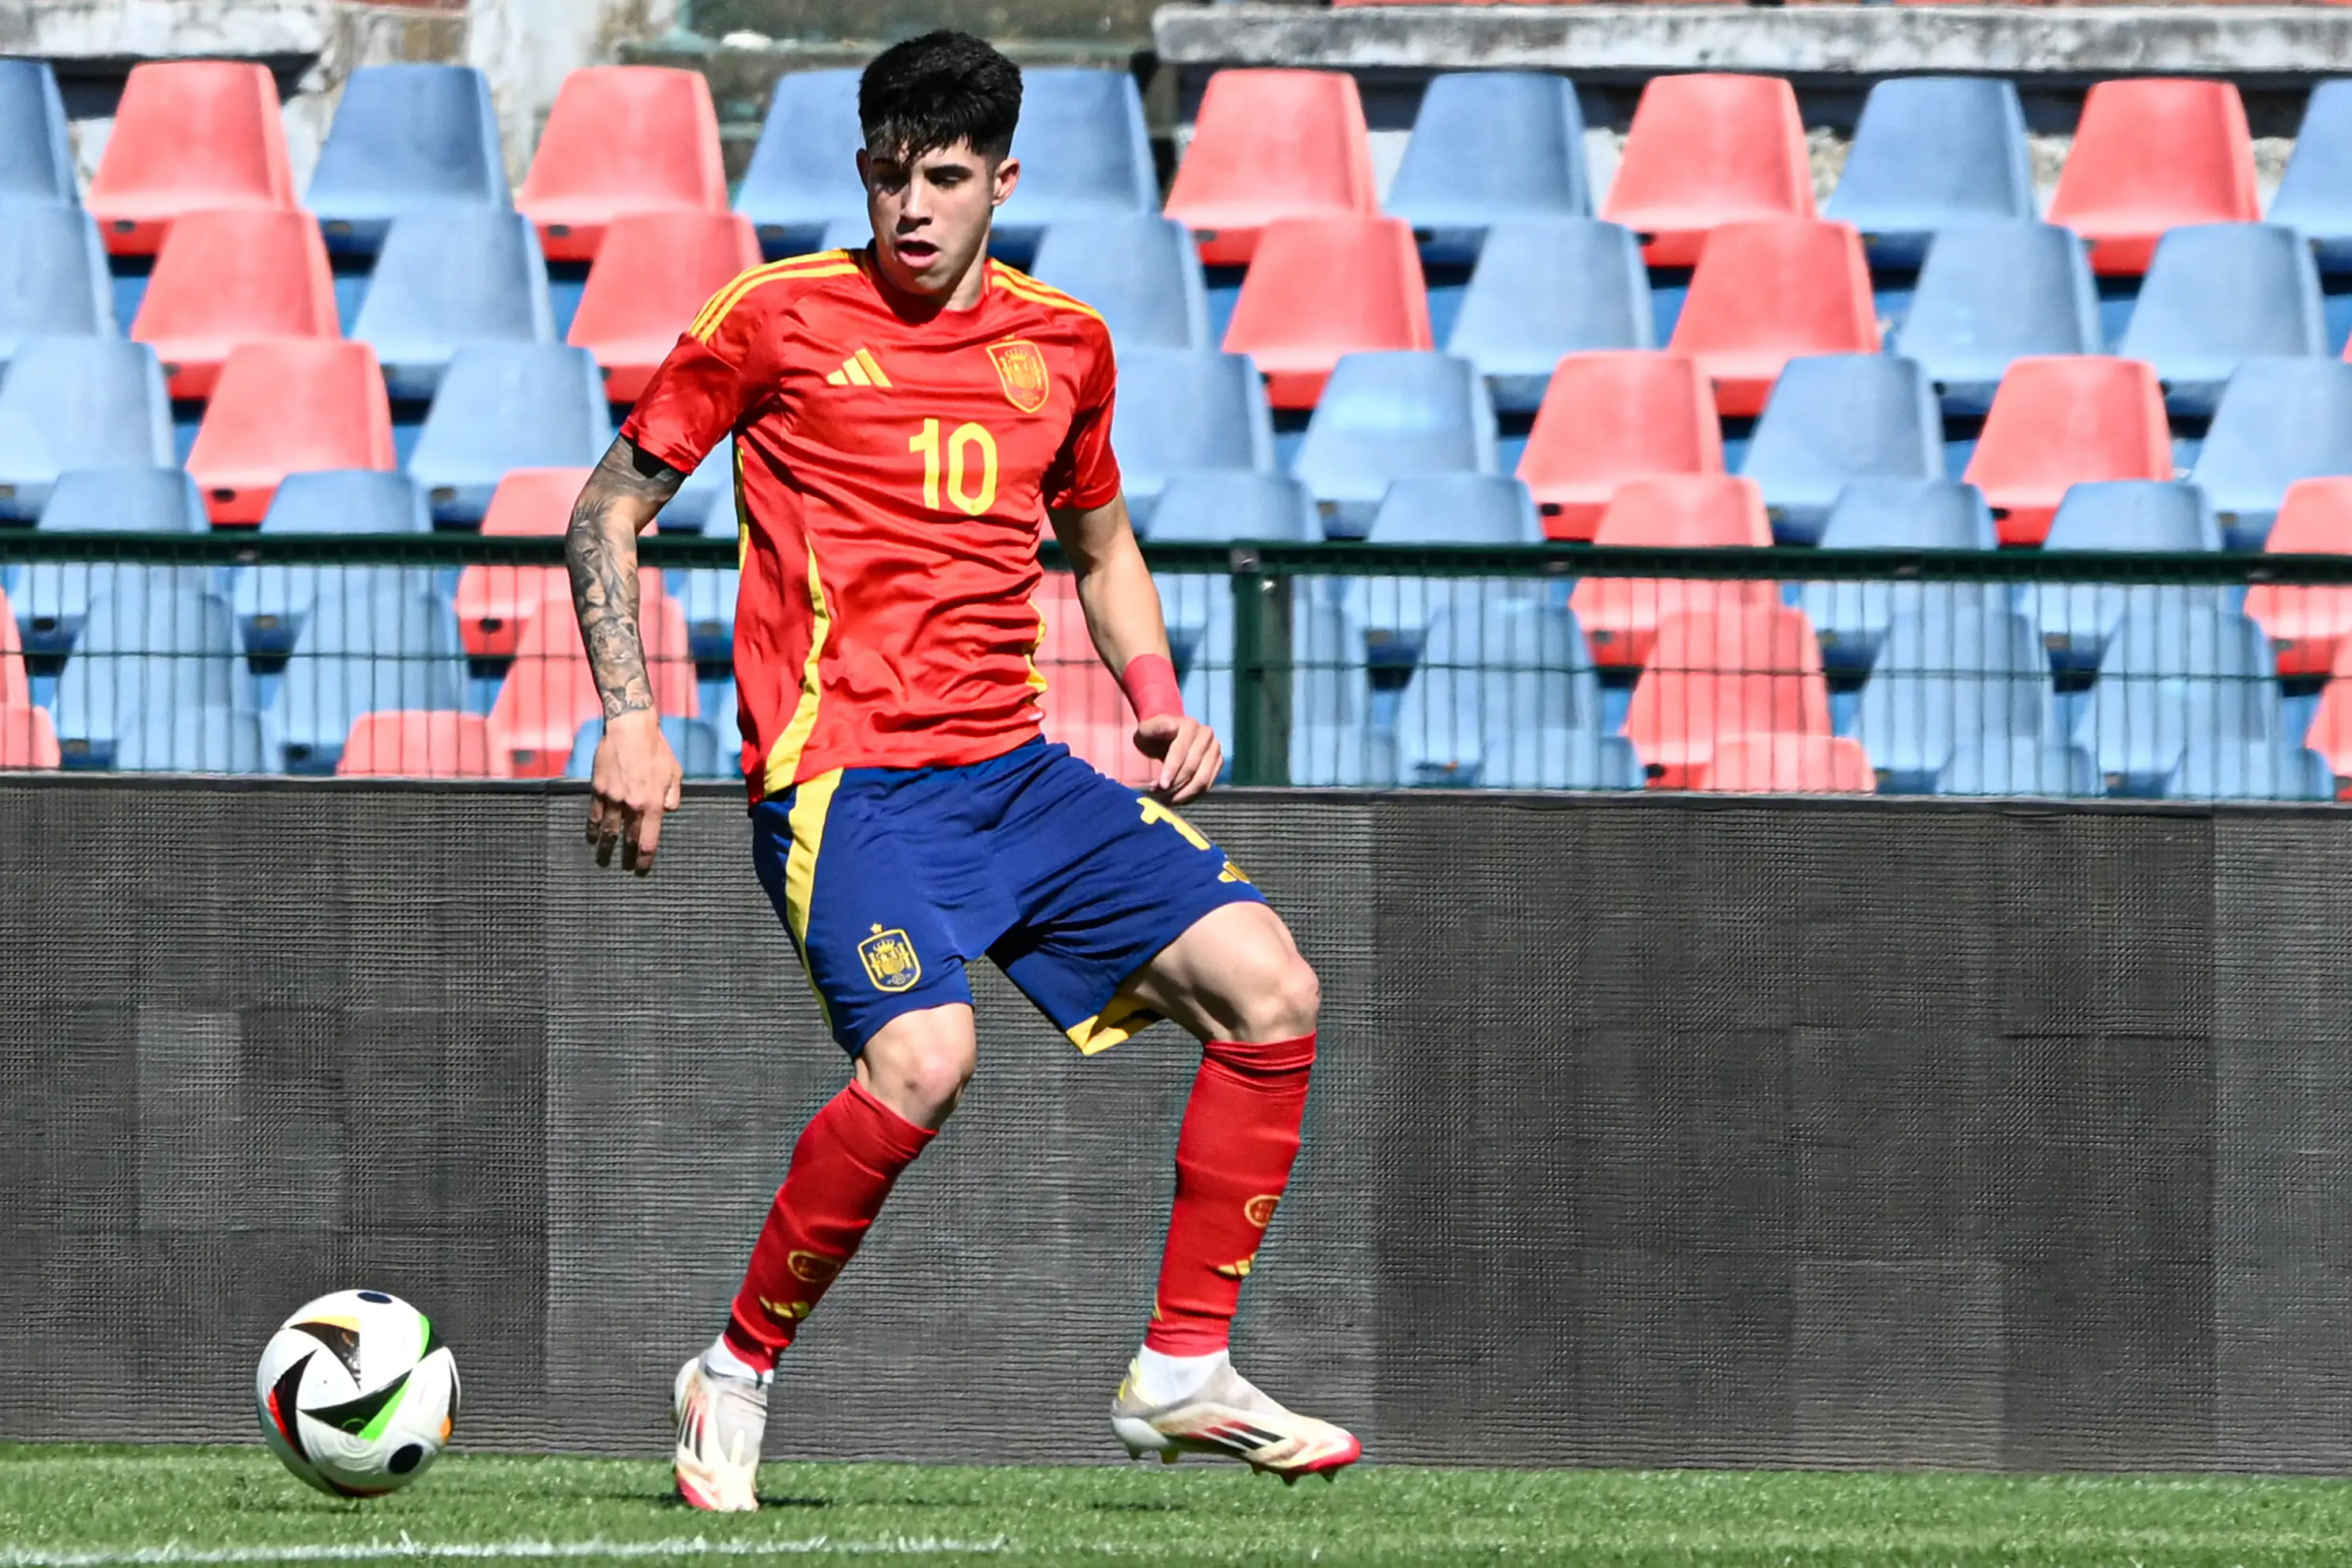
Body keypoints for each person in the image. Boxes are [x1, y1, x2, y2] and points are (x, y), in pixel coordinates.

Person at [563, 29, 1360, 1512]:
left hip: (1018, 774)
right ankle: (732, 1372)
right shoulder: (773, 319)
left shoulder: (1065, 343)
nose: (909, 209)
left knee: (1275, 990)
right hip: (843, 782)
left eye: (942, 178)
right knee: (926, 1062)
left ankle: (1182, 1371)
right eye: (885, 177)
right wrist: (628, 708)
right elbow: (604, 510)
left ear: (1003, 177)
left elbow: (1103, 545)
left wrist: (1158, 698)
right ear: (859, 172)